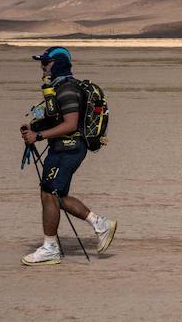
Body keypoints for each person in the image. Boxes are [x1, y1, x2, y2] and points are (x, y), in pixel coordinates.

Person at [18, 47, 117, 266]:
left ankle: (50, 248)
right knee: (53, 194)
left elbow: (70, 124)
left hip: (70, 148)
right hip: (61, 147)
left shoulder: (67, 89)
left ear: (58, 64)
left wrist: (39, 135)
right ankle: (100, 224)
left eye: (46, 63)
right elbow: (57, 118)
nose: (42, 67)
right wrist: (34, 126)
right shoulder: (58, 88)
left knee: (51, 193)